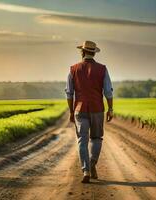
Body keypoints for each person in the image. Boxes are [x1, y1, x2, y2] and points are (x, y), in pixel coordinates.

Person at [65, 40, 113, 183]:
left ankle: (85, 170)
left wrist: (71, 111)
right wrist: (110, 108)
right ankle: (92, 164)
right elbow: (108, 92)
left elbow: (69, 93)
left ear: (82, 52)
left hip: (79, 109)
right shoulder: (103, 69)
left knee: (82, 140)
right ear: (93, 52)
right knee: (97, 138)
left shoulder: (73, 69)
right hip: (97, 109)